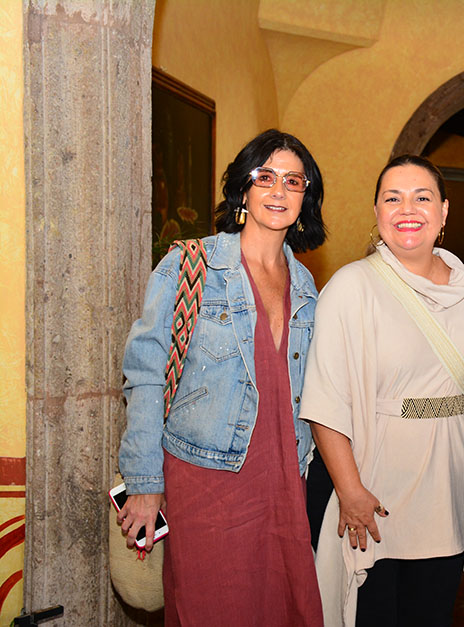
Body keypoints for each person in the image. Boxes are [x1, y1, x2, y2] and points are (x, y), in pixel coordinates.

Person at [117, 129, 327, 625]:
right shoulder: (189, 265)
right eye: (265, 177)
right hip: (206, 480)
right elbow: (146, 375)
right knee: (212, 608)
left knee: (283, 608)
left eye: (293, 181)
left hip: (284, 479)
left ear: (306, 197)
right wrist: (144, 483)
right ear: (243, 189)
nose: (279, 190)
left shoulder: (305, 285)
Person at [300, 155, 464, 626]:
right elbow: (325, 401)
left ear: (444, 211)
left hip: (450, 492)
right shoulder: (351, 287)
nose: (408, 209)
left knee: (434, 614)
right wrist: (350, 491)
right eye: (393, 198)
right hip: (376, 495)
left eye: (422, 197)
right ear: (377, 211)